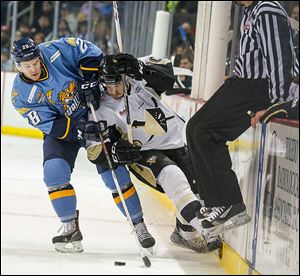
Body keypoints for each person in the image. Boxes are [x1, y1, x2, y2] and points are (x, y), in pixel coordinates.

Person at [10, 37, 155, 253]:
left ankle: (139, 225)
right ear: (18, 66)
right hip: (66, 129)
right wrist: (81, 129)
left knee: (114, 175)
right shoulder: (19, 95)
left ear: (39, 56)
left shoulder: (53, 50)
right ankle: (69, 225)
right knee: (54, 173)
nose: (33, 68)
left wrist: (89, 79)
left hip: (96, 112)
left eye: (34, 62)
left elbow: (91, 51)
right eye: (26, 65)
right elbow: (51, 125)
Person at [77, 53, 222, 253]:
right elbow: (94, 153)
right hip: (143, 152)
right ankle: (203, 226)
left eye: (117, 84)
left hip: (175, 142)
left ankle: (184, 233)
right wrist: (116, 153)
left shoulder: (136, 75)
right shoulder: (100, 108)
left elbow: (168, 75)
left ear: (124, 77)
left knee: (199, 187)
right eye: (108, 86)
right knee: (173, 175)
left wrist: (138, 65)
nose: (114, 90)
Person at [186, 1, 299, 237]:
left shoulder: (267, 9)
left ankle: (229, 203)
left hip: (257, 88)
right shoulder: (252, 10)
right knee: (194, 128)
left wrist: (277, 103)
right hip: (243, 84)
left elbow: (279, 58)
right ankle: (214, 201)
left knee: (206, 133)